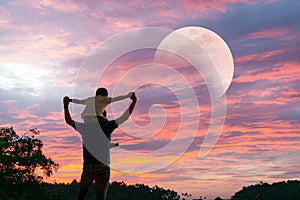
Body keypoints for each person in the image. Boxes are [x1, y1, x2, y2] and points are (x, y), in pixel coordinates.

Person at [63, 92, 137, 200]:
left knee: (81, 196)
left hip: (88, 166)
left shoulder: (85, 127)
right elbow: (124, 117)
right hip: (102, 166)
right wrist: (134, 101)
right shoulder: (107, 126)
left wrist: (66, 106)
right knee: (100, 197)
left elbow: (69, 121)